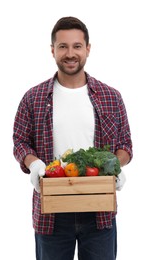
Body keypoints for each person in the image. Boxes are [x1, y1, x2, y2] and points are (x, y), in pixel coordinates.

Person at [13, 16, 133, 260]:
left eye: (77, 46)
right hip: (52, 213)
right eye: (63, 46)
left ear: (87, 49)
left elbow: (125, 145)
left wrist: (116, 165)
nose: (70, 53)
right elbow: (20, 142)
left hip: (98, 211)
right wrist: (33, 163)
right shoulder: (33, 98)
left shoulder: (111, 96)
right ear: (52, 50)